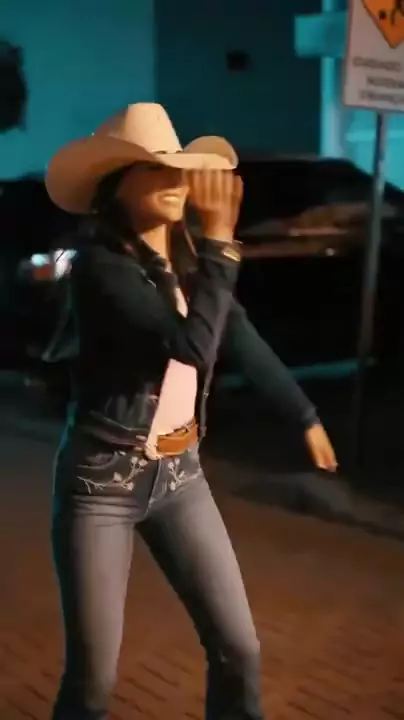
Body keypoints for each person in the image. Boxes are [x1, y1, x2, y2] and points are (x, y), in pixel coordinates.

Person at [45, 102, 337, 720]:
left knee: (239, 650)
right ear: (117, 186)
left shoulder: (187, 261)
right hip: (102, 483)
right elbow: (190, 349)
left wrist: (304, 415)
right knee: (94, 682)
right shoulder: (102, 268)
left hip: (181, 477)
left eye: (179, 168)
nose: (177, 180)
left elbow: (240, 339)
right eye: (156, 169)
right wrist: (221, 244)